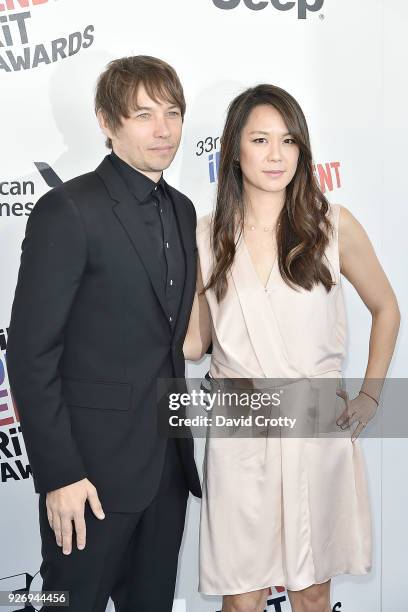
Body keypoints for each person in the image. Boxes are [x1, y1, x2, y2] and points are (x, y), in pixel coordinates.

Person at [183, 84, 400, 612]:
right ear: (234, 149)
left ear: (303, 150)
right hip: (240, 429)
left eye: (288, 141)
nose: (276, 155)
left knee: (313, 591)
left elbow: (387, 309)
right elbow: (194, 345)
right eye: (260, 140)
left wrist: (370, 397)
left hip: (315, 425)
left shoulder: (332, 225)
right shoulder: (206, 236)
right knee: (241, 595)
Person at [6, 55, 201, 612]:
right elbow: (29, 354)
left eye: (173, 113)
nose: (163, 130)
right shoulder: (68, 209)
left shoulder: (184, 210)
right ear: (106, 122)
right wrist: (61, 475)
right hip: (87, 482)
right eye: (143, 114)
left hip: (166, 473)